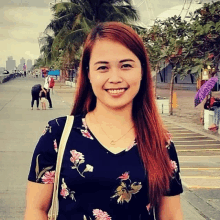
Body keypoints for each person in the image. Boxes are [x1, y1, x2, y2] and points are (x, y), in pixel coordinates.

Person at [25, 22, 183, 220]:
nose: (115, 78)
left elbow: (171, 215)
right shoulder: (57, 134)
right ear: (89, 74)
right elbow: (36, 210)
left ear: (142, 71)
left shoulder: (160, 141)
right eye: (103, 67)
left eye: (126, 65)